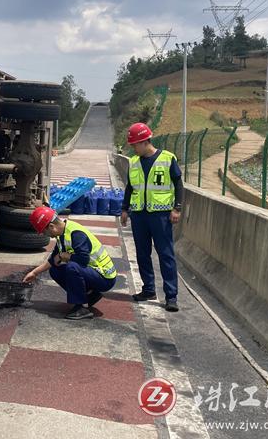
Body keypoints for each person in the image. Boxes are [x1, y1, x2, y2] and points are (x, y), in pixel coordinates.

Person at [120, 122, 183, 312]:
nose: (133, 148)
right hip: (139, 215)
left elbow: (178, 185)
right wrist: (125, 209)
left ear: (145, 141)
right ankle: (148, 289)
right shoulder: (133, 162)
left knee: (165, 254)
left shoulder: (167, 158)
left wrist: (177, 208)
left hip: (161, 215)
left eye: (135, 145)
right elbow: (130, 187)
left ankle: (171, 296)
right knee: (142, 253)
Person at [23, 206, 117, 320]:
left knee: (72, 267)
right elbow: (54, 260)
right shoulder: (61, 235)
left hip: (105, 277)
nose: (44, 235)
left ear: (51, 227)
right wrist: (34, 272)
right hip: (92, 272)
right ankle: (91, 295)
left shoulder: (76, 234)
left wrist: (65, 256)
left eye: (44, 232)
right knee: (55, 270)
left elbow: (83, 260)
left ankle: (81, 307)